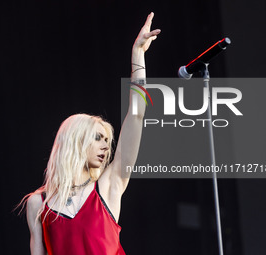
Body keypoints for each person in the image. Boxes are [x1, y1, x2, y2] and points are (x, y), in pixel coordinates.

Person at [21, 12, 161, 255]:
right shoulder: (38, 204)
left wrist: (138, 57)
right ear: (74, 141)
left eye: (107, 140)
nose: (106, 146)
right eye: (98, 138)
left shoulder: (108, 186)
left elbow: (137, 115)